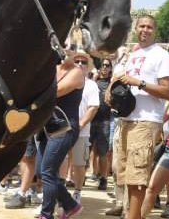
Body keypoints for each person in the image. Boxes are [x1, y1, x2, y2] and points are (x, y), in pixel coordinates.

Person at [107, 14, 169, 219]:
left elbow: (167, 91)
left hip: (146, 120)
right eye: (141, 26)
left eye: (149, 27)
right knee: (123, 174)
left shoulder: (161, 55)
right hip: (125, 119)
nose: (145, 30)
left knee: (137, 177)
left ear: (155, 31)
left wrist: (140, 83)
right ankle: (130, 214)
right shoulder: (131, 55)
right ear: (136, 29)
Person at [37, 47, 85, 219]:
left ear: (76, 53)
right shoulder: (53, 69)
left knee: (48, 171)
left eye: (71, 48)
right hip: (46, 126)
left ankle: (46, 214)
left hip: (65, 127)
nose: (66, 50)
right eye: (62, 45)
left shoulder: (77, 72)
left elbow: (55, 92)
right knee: (42, 171)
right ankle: (70, 205)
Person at [70, 51, 100, 203]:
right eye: (77, 61)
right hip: (62, 130)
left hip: (81, 132)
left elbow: (93, 107)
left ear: (89, 67)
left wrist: (80, 125)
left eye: (84, 62)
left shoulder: (92, 85)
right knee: (59, 163)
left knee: (79, 164)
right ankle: (55, 195)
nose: (80, 64)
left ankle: (77, 192)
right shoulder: (66, 80)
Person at [89, 57, 114, 191]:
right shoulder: (93, 81)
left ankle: (103, 178)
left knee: (103, 152)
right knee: (86, 150)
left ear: (110, 68)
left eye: (107, 65)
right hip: (90, 120)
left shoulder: (112, 83)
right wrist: (94, 79)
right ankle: (81, 178)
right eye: (103, 65)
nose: (104, 67)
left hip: (105, 120)